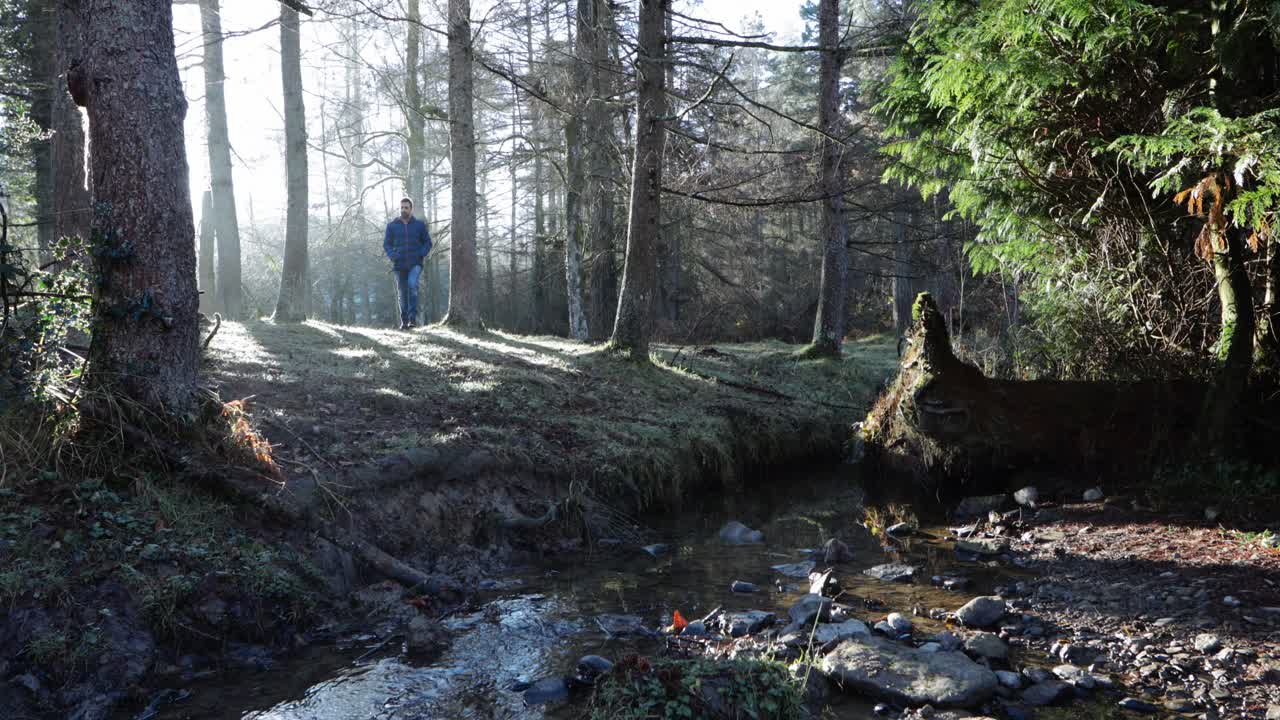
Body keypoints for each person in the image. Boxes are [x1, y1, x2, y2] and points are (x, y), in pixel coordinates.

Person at [384, 198, 432, 329]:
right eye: (402, 207)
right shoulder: (392, 226)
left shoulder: (419, 225)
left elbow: (428, 242)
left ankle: (412, 320)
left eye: (406, 207)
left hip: (415, 263)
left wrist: (421, 254)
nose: (403, 209)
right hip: (399, 265)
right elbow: (386, 244)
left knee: (412, 285)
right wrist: (393, 255)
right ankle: (404, 322)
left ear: (411, 209)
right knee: (402, 293)